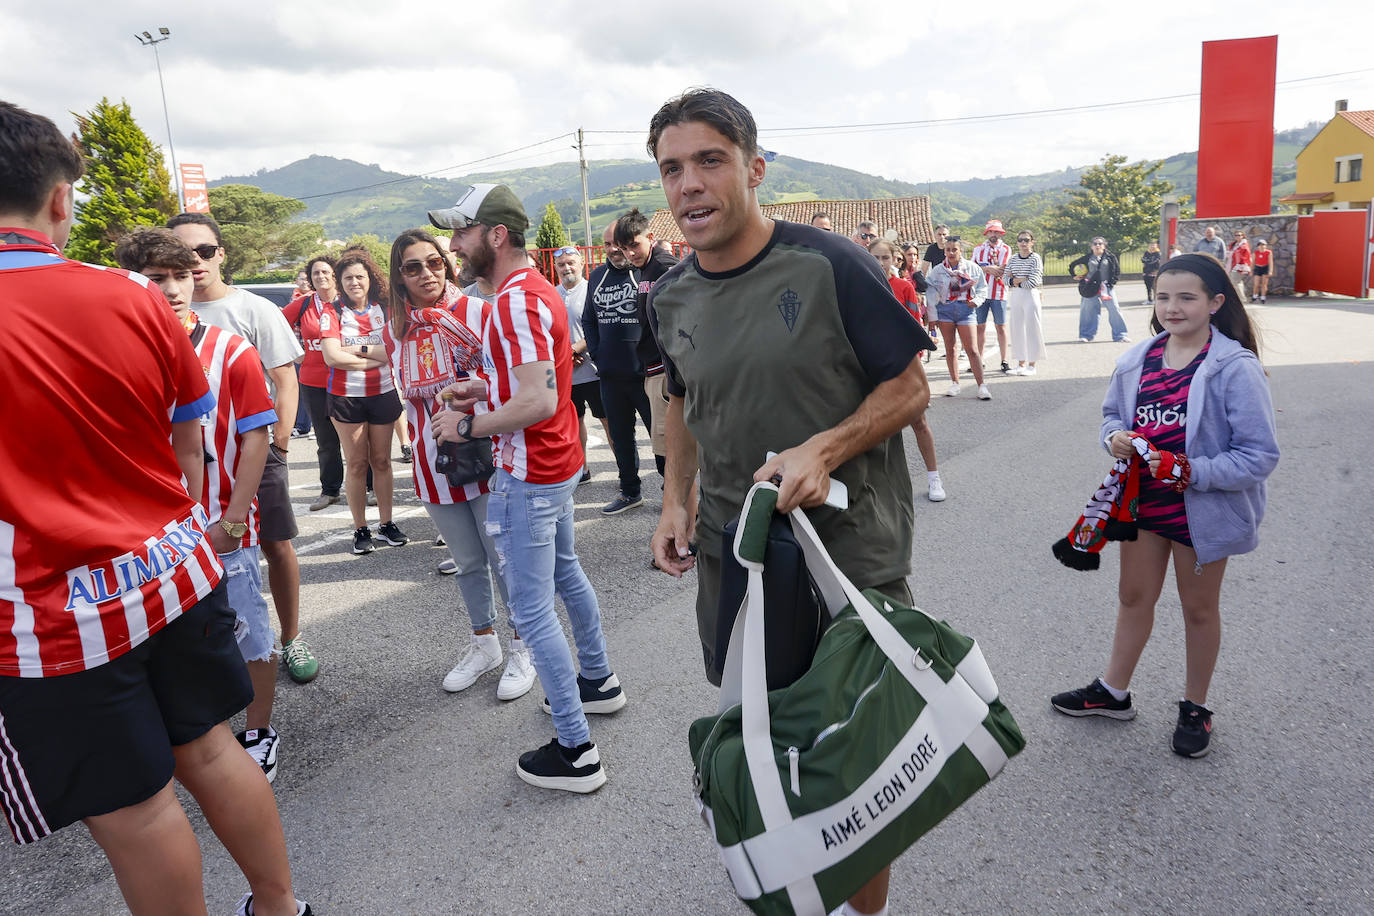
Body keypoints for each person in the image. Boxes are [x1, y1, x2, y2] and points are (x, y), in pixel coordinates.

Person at [0, 101, 309, 916]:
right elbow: (186, 445)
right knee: (211, 749)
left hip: (49, 614)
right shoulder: (136, 298)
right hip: (168, 572)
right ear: (60, 200)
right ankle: (281, 907)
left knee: (136, 811)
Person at [645, 87, 934, 916]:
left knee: (852, 752)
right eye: (672, 169)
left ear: (754, 168)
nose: (690, 185)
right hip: (738, 557)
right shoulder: (672, 295)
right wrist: (675, 500)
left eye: (710, 161)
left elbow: (911, 387)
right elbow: (684, 401)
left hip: (848, 551)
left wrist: (825, 448)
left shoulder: (828, 263)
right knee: (773, 742)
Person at [430, 184, 625, 793]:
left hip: (530, 470)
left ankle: (576, 750)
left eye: (461, 233)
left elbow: (538, 399)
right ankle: (596, 683)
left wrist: (466, 423)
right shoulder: (529, 292)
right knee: (566, 574)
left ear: (494, 235)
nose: (453, 245)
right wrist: (481, 393)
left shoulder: (513, 300)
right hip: (554, 461)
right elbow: (536, 384)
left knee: (533, 607)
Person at [1051, 253, 1279, 758]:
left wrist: (1191, 471)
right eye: (1162, 296)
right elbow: (1112, 417)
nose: (1171, 308)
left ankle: (1196, 706)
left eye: (1186, 297)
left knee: (1198, 611)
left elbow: (1259, 456)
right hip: (1140, 506)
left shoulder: (1234, 368)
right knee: (1133, 598)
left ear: (1217, 303)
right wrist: (1114, 439)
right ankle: (1113, 692)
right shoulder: (1137, 359)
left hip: (1202, 513)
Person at [114, 228, 286, 784]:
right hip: (147, 538)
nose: (172, 288)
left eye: (181, 275)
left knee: (249, 629)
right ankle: (195, 734)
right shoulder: (116, 353)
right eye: (157, 277)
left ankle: (259, 730)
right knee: (173, 643)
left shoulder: (231, 348)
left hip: (217, 526)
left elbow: (257, 437)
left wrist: (233, 520)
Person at [380, 228, 534, 700]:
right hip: (431, 457)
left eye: (434, 262)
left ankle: (522, 646)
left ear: (446, 265)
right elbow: (407, 395)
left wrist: (467, 408)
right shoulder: (395, 327)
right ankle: (483, 642)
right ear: (399, 276)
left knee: (502, 557)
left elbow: (504, 377)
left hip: (480, 448)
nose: (426, 273)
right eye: (412, 267)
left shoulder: (478, 312)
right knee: (467, 562)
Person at [167, 213, 319, 685]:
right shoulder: (157, 311)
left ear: (221, 254)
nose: (194, 264)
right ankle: (221, 655)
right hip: (187, 463)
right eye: (180, 256)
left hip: (253, 453)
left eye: (205, 252)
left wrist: (280, 445)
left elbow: (284, 380)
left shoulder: (254, 309)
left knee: (274, 544)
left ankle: (290, 638)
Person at [318, 249, 409, 555]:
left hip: (383, 393)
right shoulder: (331, 311)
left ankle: (386, 524)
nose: (354, 282)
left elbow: (393, 352)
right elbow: (331, 356)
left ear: (370, 278)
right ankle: (360, 528)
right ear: (339, 282)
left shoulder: (385, 308)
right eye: (348, 278)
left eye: (360, 276)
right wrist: (376, 356)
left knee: (382, 461)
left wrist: (356, 350)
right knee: (357, 463)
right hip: (346, 398)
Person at [582, 221, 654, 515]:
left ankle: (674, 494)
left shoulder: (643, 274)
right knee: (621, 439)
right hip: (610, 377)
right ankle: (630, 491)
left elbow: (658, 317)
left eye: (618, 243)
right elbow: (588, 319)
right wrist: (598, 354)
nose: (613, 249)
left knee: (662, 440)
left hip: (646, 376)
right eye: (608, 244)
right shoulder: (597, 276)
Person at [870, 239, 945, 501]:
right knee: (877, 428)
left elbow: (915, 325)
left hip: (902, 362)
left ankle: (934, 477)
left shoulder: (904, 287)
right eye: (875, 258)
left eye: (885, 258)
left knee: (919, 422)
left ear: (896, 260)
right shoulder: (861, 286)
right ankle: (881, 487)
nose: (880, 263)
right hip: (871, 364)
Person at [615, 207, 680, 491]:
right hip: (654, 370)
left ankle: (685, 516)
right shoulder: (644, 270)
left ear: (650, 237)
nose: (630, 253)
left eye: (634, 245)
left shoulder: (665, 267)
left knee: (671, 450)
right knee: (666, 448)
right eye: (624, 248)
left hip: (667, 371)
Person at [283, 256, 345, 512]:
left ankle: (370, 486)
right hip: (313, 381)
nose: (320, 276)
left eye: (325, 272)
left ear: (334, 275)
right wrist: (294, 353)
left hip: (348, 379)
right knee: (326, 440)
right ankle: (330, 491)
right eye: (315, 273)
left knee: (358, 438)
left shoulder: (347, 301)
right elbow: (276, 327)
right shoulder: (303, 304)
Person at [554, 244, 612, 480]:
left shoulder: (592, 290)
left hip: (594, 371)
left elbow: (600, 327)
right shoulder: (552, 293)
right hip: (566, 372)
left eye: (571, 263)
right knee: (575, 424)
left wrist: (574, 349)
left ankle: (626, 474)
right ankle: (583, 469)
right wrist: (564, 353)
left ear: (582, 264)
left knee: (609, 423)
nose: (566, 268)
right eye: (561, 265)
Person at [928, 237, 991, 399]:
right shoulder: (938, 270)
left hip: (966, 309)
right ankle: (955, 383)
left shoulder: (972, 268)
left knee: (972, 349)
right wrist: (932, 318)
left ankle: (982, 386)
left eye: (954, 249)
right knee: (951, 348)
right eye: (948, 249)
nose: (951, 252)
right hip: (945, 310)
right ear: (944, 251)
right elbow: (930, 293)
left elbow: (983, 288)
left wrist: (976, 301)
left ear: (960, 250)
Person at [1069, 236, 1130, 344]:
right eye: (1095, 243)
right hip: (1090, 288)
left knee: (1115, 310)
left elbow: (1117, 271)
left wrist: (1112, 283)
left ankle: (1120, 335)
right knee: (1087, 311)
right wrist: (1075, 275)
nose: (1098, 245)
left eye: (1100, 243)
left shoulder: (1110, 257)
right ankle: (1086, 335)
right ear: (1091, 246)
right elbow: (1072, 265)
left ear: (1104, 245)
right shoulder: (1087, 258)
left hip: (1106, 288)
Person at [972, 219, 1012, 373]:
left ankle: (1004, 360)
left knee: (1001, 326)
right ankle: (979, 360)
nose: (993, 234)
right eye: (991, 231)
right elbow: (973, 269)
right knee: (979, 327)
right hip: (981, 293)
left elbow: (1004, 268)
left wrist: (986, 268)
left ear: (1000, 233)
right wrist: (987, 268)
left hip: (999, 292)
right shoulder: (978, 249)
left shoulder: (1006, 249)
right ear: (987, 232)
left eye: (996, 232)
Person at [1004, 230, 1046, 376]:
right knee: (1016, 328)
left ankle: (1032, 364)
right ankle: (1020, 363)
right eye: (1021, 240)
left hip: (1031, 295)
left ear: (1032, 242)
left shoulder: (1035, 258)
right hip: (1016, 295)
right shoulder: (1013, 258)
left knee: (1032, 328)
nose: (1023, 243)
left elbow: (1034, 280)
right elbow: (1005, 279)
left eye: (1026, 240)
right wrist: (1021, 279)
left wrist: (1015, 281)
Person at [1227, 229, 1252, 304]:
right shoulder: (1234, 244)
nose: (1237, 237)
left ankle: (1242, 299)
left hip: (1239, 266)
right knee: (1238, 282)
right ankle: (1241, 298)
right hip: (1232, 265)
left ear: (1243, 236)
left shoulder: (1243, 245)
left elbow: (1245, 256)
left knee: (1235, 282)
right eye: (1236, 235)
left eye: (1239, 235)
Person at [1141, 240, 1161, 305]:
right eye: (1151, 245)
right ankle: (1149, 299)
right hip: (1146, 272)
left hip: (1153, 272)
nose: (1152, 246)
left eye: (1153, 245)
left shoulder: (1157, 253)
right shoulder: (1147, 252)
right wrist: (1147, 261)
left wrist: (1147, 261)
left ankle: (1156, 299)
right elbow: (1143, 259)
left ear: (1156, 246)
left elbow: (1154, 261)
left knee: (1154, 287)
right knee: (1148, 287)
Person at [1252, 238, 1272, 303]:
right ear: (1258, 246)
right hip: (1257, 268)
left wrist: (1270, 271)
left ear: (1266, 246)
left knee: (1264, 284)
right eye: (1260, 245)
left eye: (1263, 245)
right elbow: (1252, 262)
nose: (1261, 246)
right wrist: (1251, 270)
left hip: (1265, 268)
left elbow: (1271, 262)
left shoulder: (1268, 252)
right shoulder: (1255, 253)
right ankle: (1255, 296)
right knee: (1256, 284)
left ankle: (1263, 297)